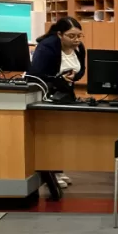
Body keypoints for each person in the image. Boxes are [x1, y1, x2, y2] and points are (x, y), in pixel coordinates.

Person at [30, 16, 86, 189]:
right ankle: (49, 173)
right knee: (49, 134)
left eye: (79, 36)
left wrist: (74, 76)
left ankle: (57, 169)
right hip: (46, 93)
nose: (76, 40)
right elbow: (36, 73)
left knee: (61, 133)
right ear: (60, 34)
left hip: (64, 93)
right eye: (72, 36)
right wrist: (57, 78)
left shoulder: (79, 48)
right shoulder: (47, 47)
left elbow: (81, 69)